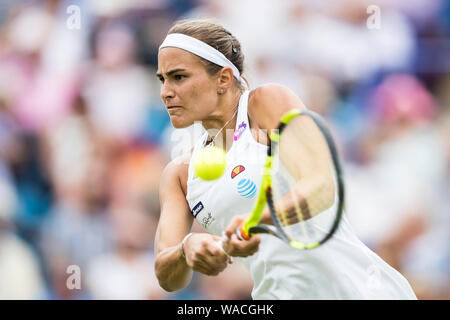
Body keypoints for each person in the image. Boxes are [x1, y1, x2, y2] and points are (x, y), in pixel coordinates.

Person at [154, 18, 417, 299]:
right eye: (163, 79)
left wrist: (256, 221)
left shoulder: (266, 103)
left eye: (178, 77)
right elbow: (167, 275)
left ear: (223, 79)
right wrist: (186, 250)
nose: (165, 92)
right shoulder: (179, 175)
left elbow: (322, 187)